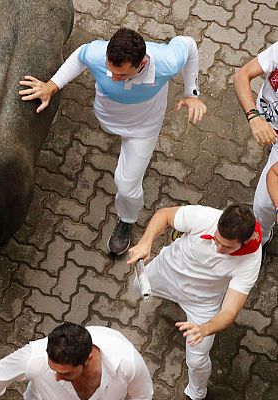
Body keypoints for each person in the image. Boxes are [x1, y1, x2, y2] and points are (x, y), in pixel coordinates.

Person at [19, 28, 206, 255]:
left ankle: (126, 219)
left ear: (142, 64)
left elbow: (188, 44)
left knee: (126, 185)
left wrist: (191, 93)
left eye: (122, 76)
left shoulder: (167, 61)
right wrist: (52, 85)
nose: (114, 78)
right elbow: (80, 56)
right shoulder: (97, 52)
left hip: (143, 129)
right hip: (108, 118)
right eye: (110, 71)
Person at [127, 204, 261, 400]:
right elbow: (164, 215)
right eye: (216, 240)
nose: (219, 249)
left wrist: (205, 329)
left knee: (197, 360)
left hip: (202, 302)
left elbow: (229, 312)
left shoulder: (250, 262)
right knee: (137, 286)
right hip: (166, 272)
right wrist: (145, 243)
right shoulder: (203, 216)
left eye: (228, 247)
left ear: (247, 240)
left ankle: (197, 393)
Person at [0, 322, 153, 400]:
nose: (56, 377)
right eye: (53, 369)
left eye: (65, 373)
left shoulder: (128, 363)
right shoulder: (33, 359)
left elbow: (141, 397)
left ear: (88, 358)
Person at [234, 41, 278, 250]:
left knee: (263, 205)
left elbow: (274, 176)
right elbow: (242, 75)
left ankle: (262, 239)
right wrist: (254, 117)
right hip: (266, 122)